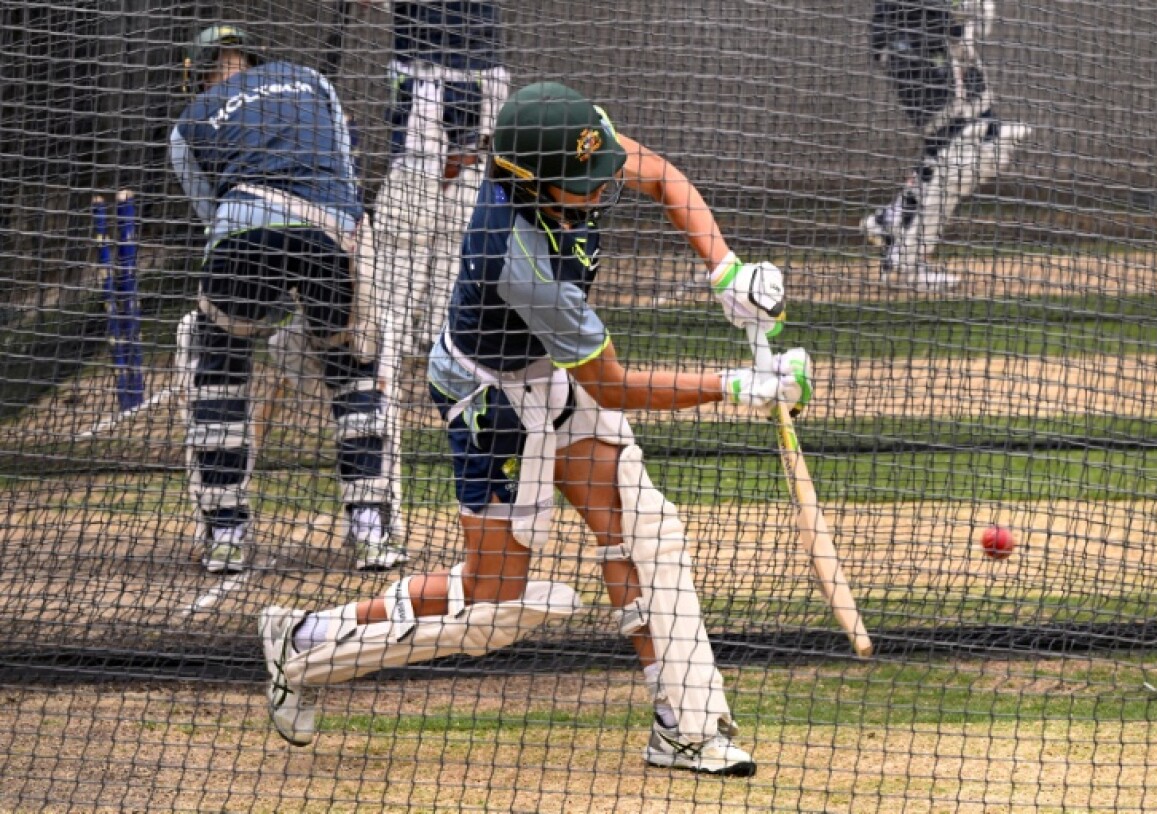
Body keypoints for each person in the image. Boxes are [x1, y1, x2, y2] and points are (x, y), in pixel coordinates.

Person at [259, 81, 814, 777]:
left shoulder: (576, 138)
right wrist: (734, 387)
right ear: (529, 185)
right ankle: (304, 642)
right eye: (582, 185)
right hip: (490, 400)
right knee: (494, 606)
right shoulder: (520, 260)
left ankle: (686, 725)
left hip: (549, 369)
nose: (602, 187)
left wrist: (725, 266)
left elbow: (662, 176)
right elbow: (611, 385)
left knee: (647, 531)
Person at [169, 24, 409, 573]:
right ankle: (370, 530)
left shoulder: (190, 122)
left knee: (219, 361)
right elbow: (345, 167)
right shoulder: (311, 79)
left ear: (197, 73)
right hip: (334, 228)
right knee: (353, 368)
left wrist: (262, 298)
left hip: (243, 228)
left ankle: (226, 535)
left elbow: (214, 217)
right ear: (250, 57)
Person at [360, 0, 510, 356]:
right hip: (423, 72)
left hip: (477, 72)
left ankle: (441, 333)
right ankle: (393, 335)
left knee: (463, 216)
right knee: (408, 216)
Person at [861, 0, 1029, 290]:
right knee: (967, 153)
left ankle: (893, 219)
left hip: (938, 41)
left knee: (967, 143)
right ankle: (908, 261)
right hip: (912, 45)